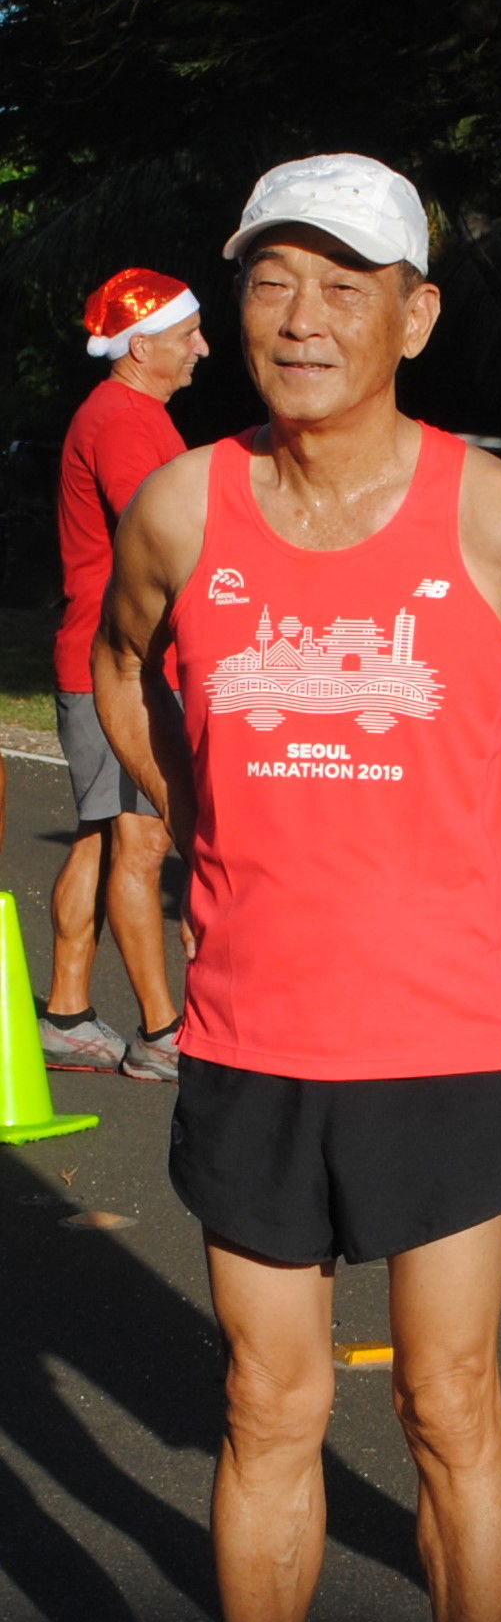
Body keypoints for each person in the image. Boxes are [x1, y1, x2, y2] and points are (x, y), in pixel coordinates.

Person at [95, 152, 501, 1622]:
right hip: (248, 1027)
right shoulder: (185, 506)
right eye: (271, 284)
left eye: (343, 283)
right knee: (266, 1401)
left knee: (451, 1403)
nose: (301, 319)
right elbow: (117, 660)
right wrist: (192, 812)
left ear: (416, 313)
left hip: (445, 1039)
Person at [41, 269, 208, 1080]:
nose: (201, 349)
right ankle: (162, 1033)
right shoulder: (126, 421)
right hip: (123, 665)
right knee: (141, 844)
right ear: (143, 346)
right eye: (188, 334)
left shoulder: (119, 414)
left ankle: (68, 1011)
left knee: (104, 836)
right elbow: (168, 537)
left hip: (104, 656)